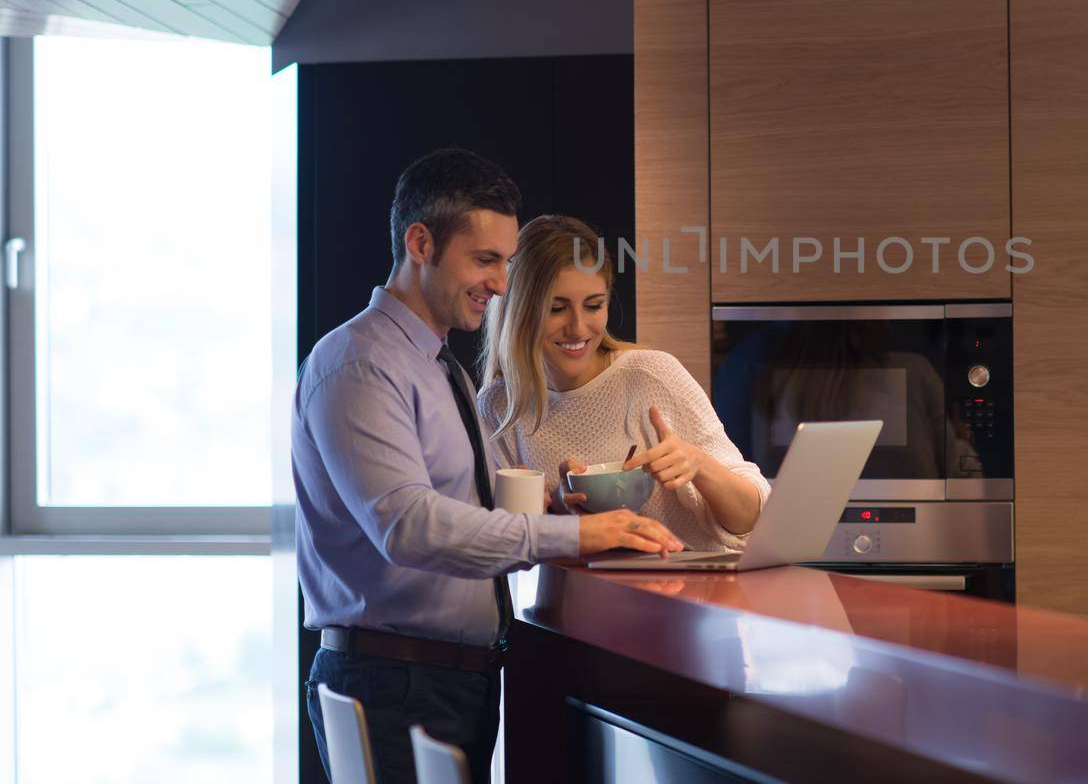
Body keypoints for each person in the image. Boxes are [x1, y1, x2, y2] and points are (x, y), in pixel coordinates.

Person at [292, 150, 682, 784]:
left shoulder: (439, 367)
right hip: (396, 685)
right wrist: (579, 535)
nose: (501, 285)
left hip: (440, 682)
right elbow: (408, 526)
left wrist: (556, 508)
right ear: (420, 243)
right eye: (485, 260)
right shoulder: (361, 365)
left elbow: (463, 510)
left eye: (504, 263)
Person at [478, 214, 771, 550]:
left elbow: (753, 518)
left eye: (593, 306)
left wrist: (698, 464)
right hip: (579, 598)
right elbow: (506, 546)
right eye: (557, 308)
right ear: (519, 311)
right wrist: (557, 508)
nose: (578, 328)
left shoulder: (652, 375)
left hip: (696, 591)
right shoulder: (498, 406)